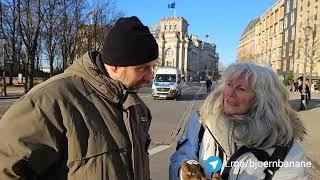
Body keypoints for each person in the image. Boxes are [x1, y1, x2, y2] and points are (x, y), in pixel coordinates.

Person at [0, 16, 158, 180]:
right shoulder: (49, 102)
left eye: (152, 67)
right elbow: (6, 169)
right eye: (142, 68)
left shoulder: (136, 107)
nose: (149, 77)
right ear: (115, 66)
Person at [169, 63, 307, 180]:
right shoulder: (203, 120)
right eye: (229, 84)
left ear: (262, 100)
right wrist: (186, 172)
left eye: (241, 89)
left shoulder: (288, 153)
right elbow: (182, 156)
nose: (230, 93)